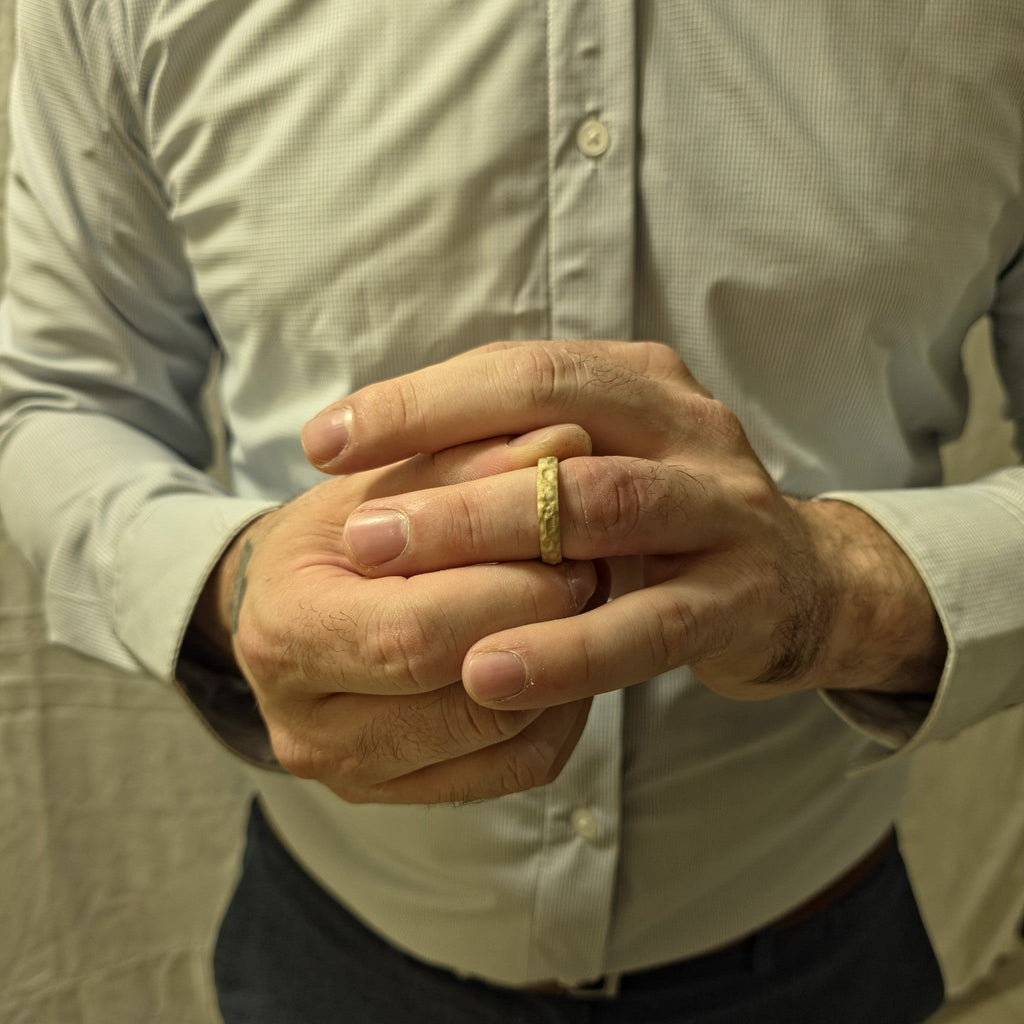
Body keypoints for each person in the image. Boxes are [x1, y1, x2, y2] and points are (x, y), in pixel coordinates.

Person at [2, 2, 1022, 1022]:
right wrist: (233, 585)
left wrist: (841, 590)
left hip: (818, 943)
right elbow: (51, 395)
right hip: (330, 947)